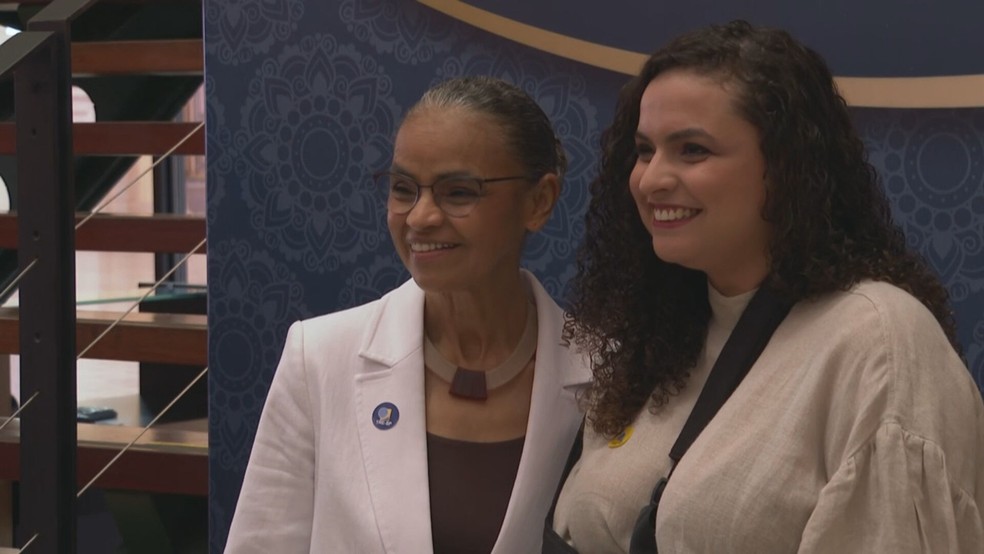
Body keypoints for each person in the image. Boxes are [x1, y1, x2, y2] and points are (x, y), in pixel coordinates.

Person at [549, 20, 984, 553]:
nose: (651, 178)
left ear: (785, 167)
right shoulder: (650, 337)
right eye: (644, 150)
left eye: (692, 150)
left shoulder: (879, 341)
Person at [226, 76, 590, 553]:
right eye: (403, 189)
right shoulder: (319, 357)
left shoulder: (606, 372)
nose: (419, 218)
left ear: (539, 201)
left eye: (458, 192)